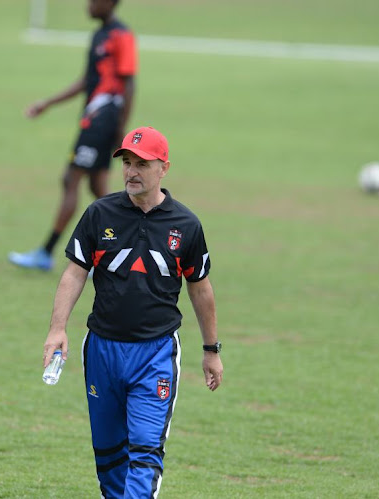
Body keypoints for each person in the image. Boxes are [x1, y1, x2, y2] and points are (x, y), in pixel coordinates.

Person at [42, 126, 223, 498]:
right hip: (102, 350)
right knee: (109, 457)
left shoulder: (186, 225)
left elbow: (200, 287)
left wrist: (211, 350)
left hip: (155, 353)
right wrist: (57, 328)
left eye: (142, 163)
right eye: (127, 162)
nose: (132, 171)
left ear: (164, 168)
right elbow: (75, 272)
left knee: (145, 452)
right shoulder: (99, 213)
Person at [9, 0, 136, 271]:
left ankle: (45, 252)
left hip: (104, 120)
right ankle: (118, 255)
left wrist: (121, 128)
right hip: (94, 118)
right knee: (98, 188)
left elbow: (129, 83)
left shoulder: (121, 36)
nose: (88, 5)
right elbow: (87, 80)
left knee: (71, 179)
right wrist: (49, 102)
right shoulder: (99, 35)